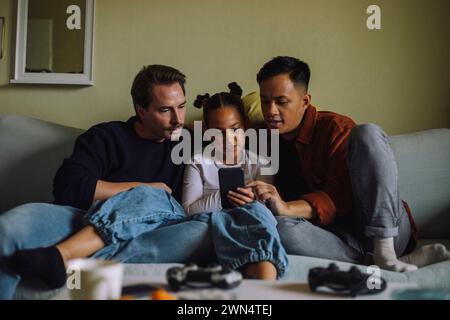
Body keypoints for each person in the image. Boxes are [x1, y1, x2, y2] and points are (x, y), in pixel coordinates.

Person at [0, 66, 287, 300]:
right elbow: (69, 186)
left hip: (152, 232)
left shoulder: (192, 143)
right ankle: (70, 255)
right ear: (141, 109)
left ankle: (71, 259)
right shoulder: (107, 136)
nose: (178, 120)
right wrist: (140, 187)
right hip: (75, 220)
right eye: (165, 110)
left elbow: (241, 124)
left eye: (182, 107)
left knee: (189, 209)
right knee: (8, 230)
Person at [242, 56, 450, 272]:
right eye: (265, 101)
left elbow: (341, 196)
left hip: (381, 228)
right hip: (333, 241)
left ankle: (384, 251)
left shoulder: (335, 128)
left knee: (367, 132)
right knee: (280, 228)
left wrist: (287, 207)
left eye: (281, 102)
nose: (271, 111)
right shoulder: (258, 137)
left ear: (305, 101)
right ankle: (375, 263)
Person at [181, 84, 283, 279]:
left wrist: (254, 199)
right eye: (218, 132)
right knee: (198, 225)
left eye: (235, 129)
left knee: (258, 212)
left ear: (246, 126)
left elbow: (265, 212)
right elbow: (187, 210)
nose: (229, 139)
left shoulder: (261, 163)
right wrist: (227, 194)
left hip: (247, 226)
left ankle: (259, 271)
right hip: (207, 227)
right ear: (207, 130)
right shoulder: (198, 162)